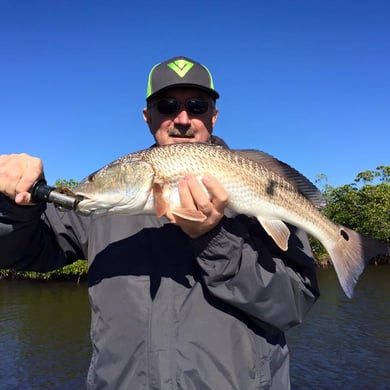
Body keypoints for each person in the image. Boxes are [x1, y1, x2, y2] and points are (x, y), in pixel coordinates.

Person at [0, 56, 320, 389]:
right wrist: (15, 205)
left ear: (214, 115)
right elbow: (21, 252)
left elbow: (292, 305)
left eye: (197, 105)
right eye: (167, 105)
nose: (182, 119)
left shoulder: (262, 184)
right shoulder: (99, 205)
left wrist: (214, 240)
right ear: (147, 116)